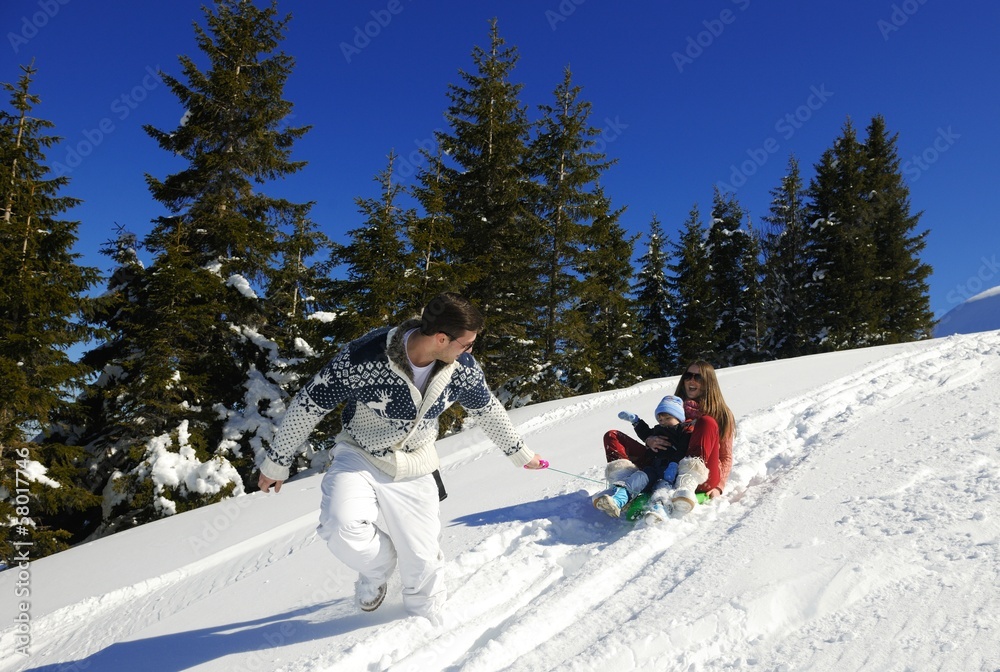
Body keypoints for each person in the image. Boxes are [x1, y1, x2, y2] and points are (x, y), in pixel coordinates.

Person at [256, 292, 545, 622]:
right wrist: (277, 462)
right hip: (360, 453)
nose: (469, 352)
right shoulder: (363, 357)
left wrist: (519, 453)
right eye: (466, 344)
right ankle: (377, 569)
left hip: (415, 463)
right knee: (341, 525)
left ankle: (421, 628)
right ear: (440, 338)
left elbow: (487, 409)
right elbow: (310, 404)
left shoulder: (461, 369)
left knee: (423, 565)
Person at [592, 395, 690, 518]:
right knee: (638, 477)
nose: (663, 422)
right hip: (653, 467)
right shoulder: (658, 429)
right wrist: (636, 422)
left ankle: (659, 509)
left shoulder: (683, 431)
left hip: (670, 471)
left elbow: (682, 450)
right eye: (660, 419)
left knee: (662, 488)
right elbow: (646, 433)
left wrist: (674, 464)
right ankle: (617, 501)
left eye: (667, 418)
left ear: (679, 418)